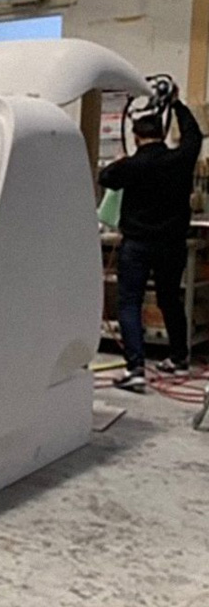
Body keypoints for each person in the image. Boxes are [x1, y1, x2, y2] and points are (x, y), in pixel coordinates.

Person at [99, 96, 203, 392]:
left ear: (136, 137)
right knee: (170, 299)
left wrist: (124, 161)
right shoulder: (180, 159)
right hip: (172, 244)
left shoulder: (133, 165)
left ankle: (135, 369)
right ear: (162, 133)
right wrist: (178, 105)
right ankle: (179, 358)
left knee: (129, 302)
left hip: (138, 244)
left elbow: (106, 177)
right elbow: (194, 135)